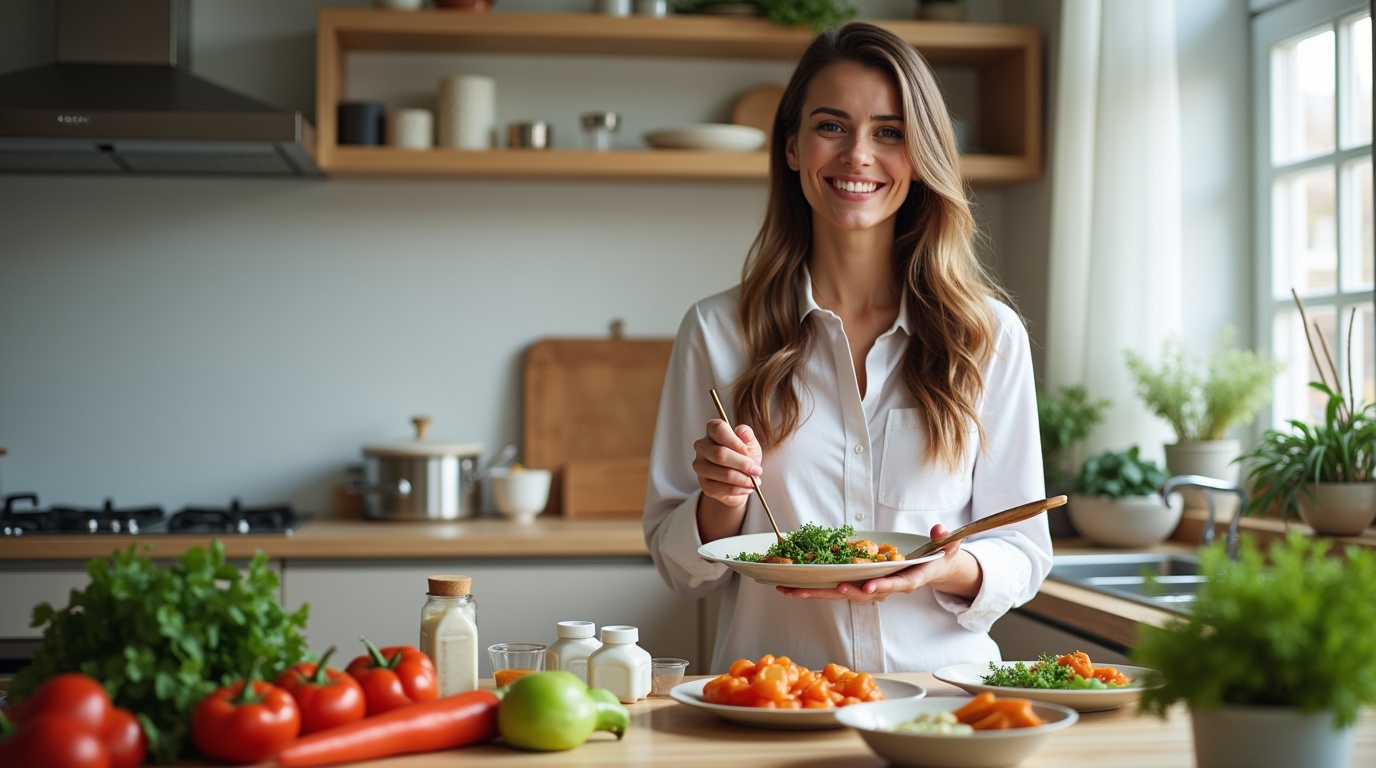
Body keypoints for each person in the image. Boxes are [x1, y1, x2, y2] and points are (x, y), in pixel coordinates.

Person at [642, 21, 1051, 675]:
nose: (858, 155)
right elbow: (678, 566)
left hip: (941, 703)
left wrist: (944, 568)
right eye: (831, 126)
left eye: (889, 132)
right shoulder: (718, 332)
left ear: (920, 156)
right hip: (775, 703)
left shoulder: (988, 336)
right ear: (793, 148)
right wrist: (719, 504)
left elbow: (1022, 553)